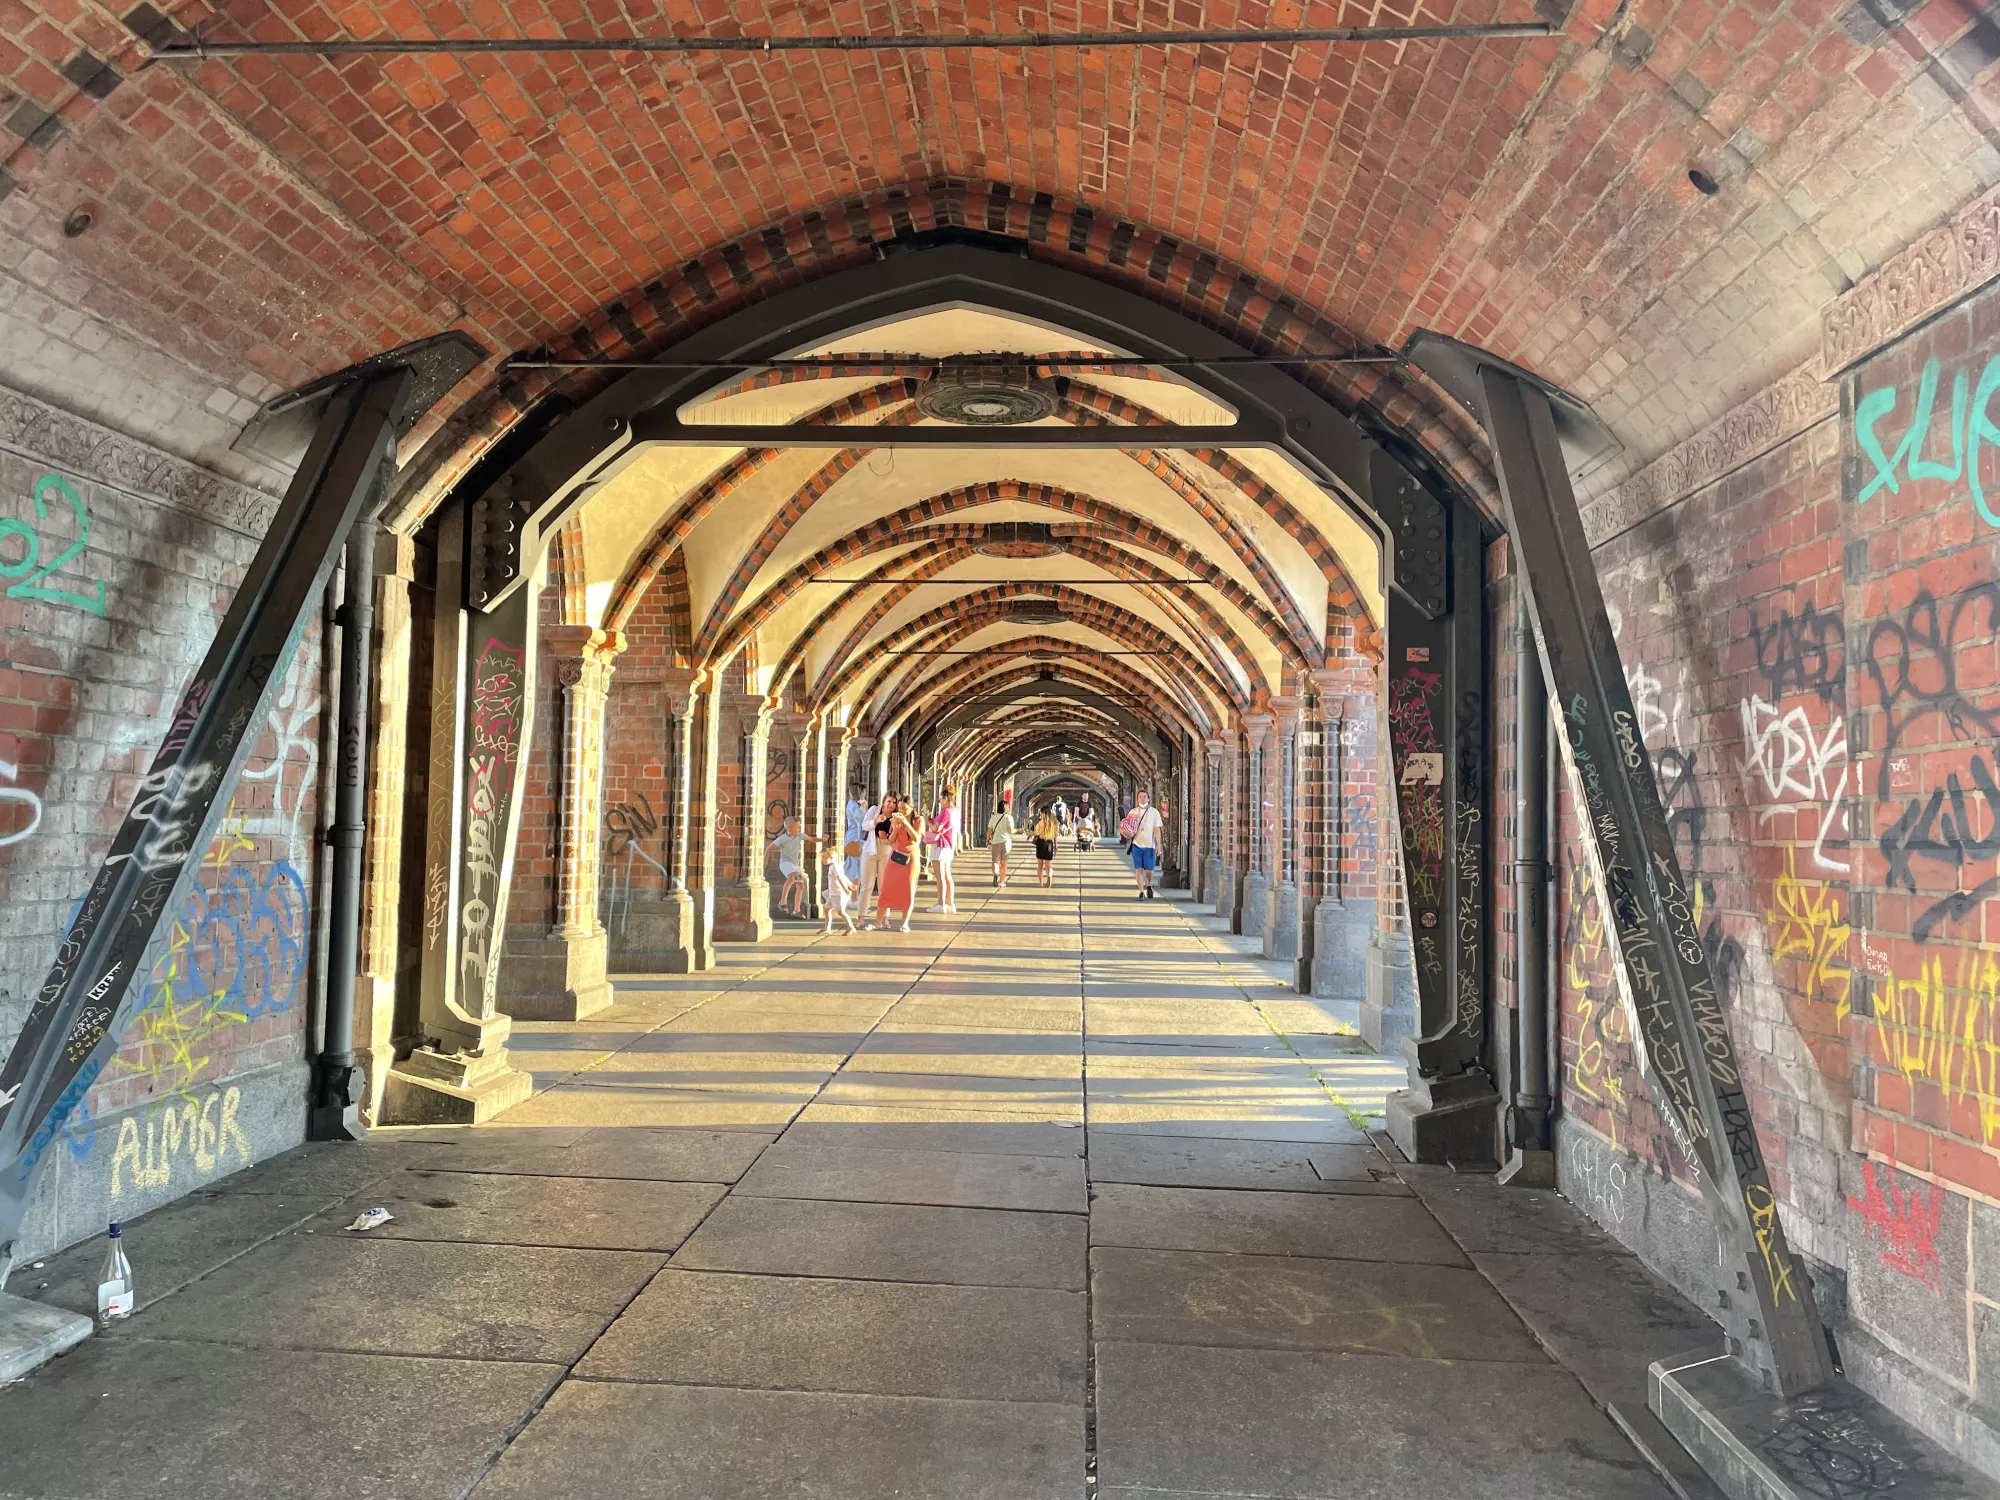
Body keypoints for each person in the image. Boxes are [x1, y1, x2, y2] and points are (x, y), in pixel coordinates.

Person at [875, 797, 922, 932]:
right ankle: (878, 922)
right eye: (900, 808)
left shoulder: (918, 820)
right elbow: (890, 841)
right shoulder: (894, 819)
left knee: (908, 890)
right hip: (895, 857)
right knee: (886, 888)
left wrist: (906, 823)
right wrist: (895, 828)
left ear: (912, 808)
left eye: (904, 808)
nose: (901, 811)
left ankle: (905, 923)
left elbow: (917, 838)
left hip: (910, 858)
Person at [859, 793, 895, 928]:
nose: (891, 805)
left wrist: (888, 834)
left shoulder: (896, 816)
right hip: (870, 849)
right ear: (884, 801)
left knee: (884, 886)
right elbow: (864, 825)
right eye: (889, 801)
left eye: (894, 802)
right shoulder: (874, 810)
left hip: (886, 850)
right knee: (866, 885)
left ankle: (884, 918)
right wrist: (876, 821)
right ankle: (860, 917)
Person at [1122, 790, 1166, 900]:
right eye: (1140, 796)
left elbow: (1157, 830)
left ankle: (1149, 884)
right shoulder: (1133, 812)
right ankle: (1141, 891)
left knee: (1149, 870)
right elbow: (1126, 827)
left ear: (1148, 799)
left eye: (1144, 796)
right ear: (1137, 799)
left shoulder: (1154, 812)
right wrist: (1125, 833)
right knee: (1138, 868)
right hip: (1136, 844)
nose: (1142, 798)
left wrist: (1158, 845)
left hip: (1149, 845)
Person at [927, 784, 961, 913]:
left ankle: (941, 904)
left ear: (946, 799)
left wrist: (928, 822)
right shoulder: (955, 811)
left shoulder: (946, 811)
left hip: (940, 845)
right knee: (947, 876)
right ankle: (950, 903)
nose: (939, 802)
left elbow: (937, 829)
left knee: (940, 877)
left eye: (940, 799)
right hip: (949, 845)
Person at [768, 816, 807, 916]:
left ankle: (796, 910)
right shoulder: (782, 838)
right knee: (791, 877)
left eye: (799, 827)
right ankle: (782, 902)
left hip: (795, 865)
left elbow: (811, 839)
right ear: (789, 828)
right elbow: (769, 848)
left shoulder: (799, 836)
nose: (799, 829)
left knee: (800, 885)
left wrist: (822, 839)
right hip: (786, 864)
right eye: (797, 827)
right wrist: (764, 862)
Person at [820, 840, 858, 934]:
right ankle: (827, 928)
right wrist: (850, 884)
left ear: (832, 858)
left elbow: (840, 878)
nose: (823, 859)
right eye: (822, 857)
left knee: (841, 912)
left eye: (825, 857)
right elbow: (843, 876)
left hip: (838, 894)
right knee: (826, 909)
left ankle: (850, 927)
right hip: (832, 894)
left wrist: (845, 889)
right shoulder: (833, 866)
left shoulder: (835, 867)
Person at [987, 792, 1015, 888]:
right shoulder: (1009, 818)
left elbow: (989, 830)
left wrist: (987, 840)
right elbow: (1011, 831)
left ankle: (995, 873)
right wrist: (1019, 830)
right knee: (1004, 863)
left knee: (995, 861)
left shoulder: (993, 817)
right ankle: (1001, 882)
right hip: (1006, 843)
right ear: (1005, 808)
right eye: (1008, 807)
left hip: (995, 842)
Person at [843, 789, 867, 887]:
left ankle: (852, 890)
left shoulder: (855, 804)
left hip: (857, 836)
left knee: (856, 866)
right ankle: (851, 891)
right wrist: (863, 807)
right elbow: (860, 818)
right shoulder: (852, 805)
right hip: (854, 837)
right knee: (855, 867)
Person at [1031, 803, 1060, 886]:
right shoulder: (1054, 823)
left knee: (1040, 865)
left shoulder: (1041, 822)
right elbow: (1055, 835)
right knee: (1048, 865)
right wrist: (1056, 846)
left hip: (1041, 843)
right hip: (1049, 844)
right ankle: (1049, 874)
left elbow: (1036, 832)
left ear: (1043, 812)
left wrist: (1029, 834)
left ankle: (1040, 883)